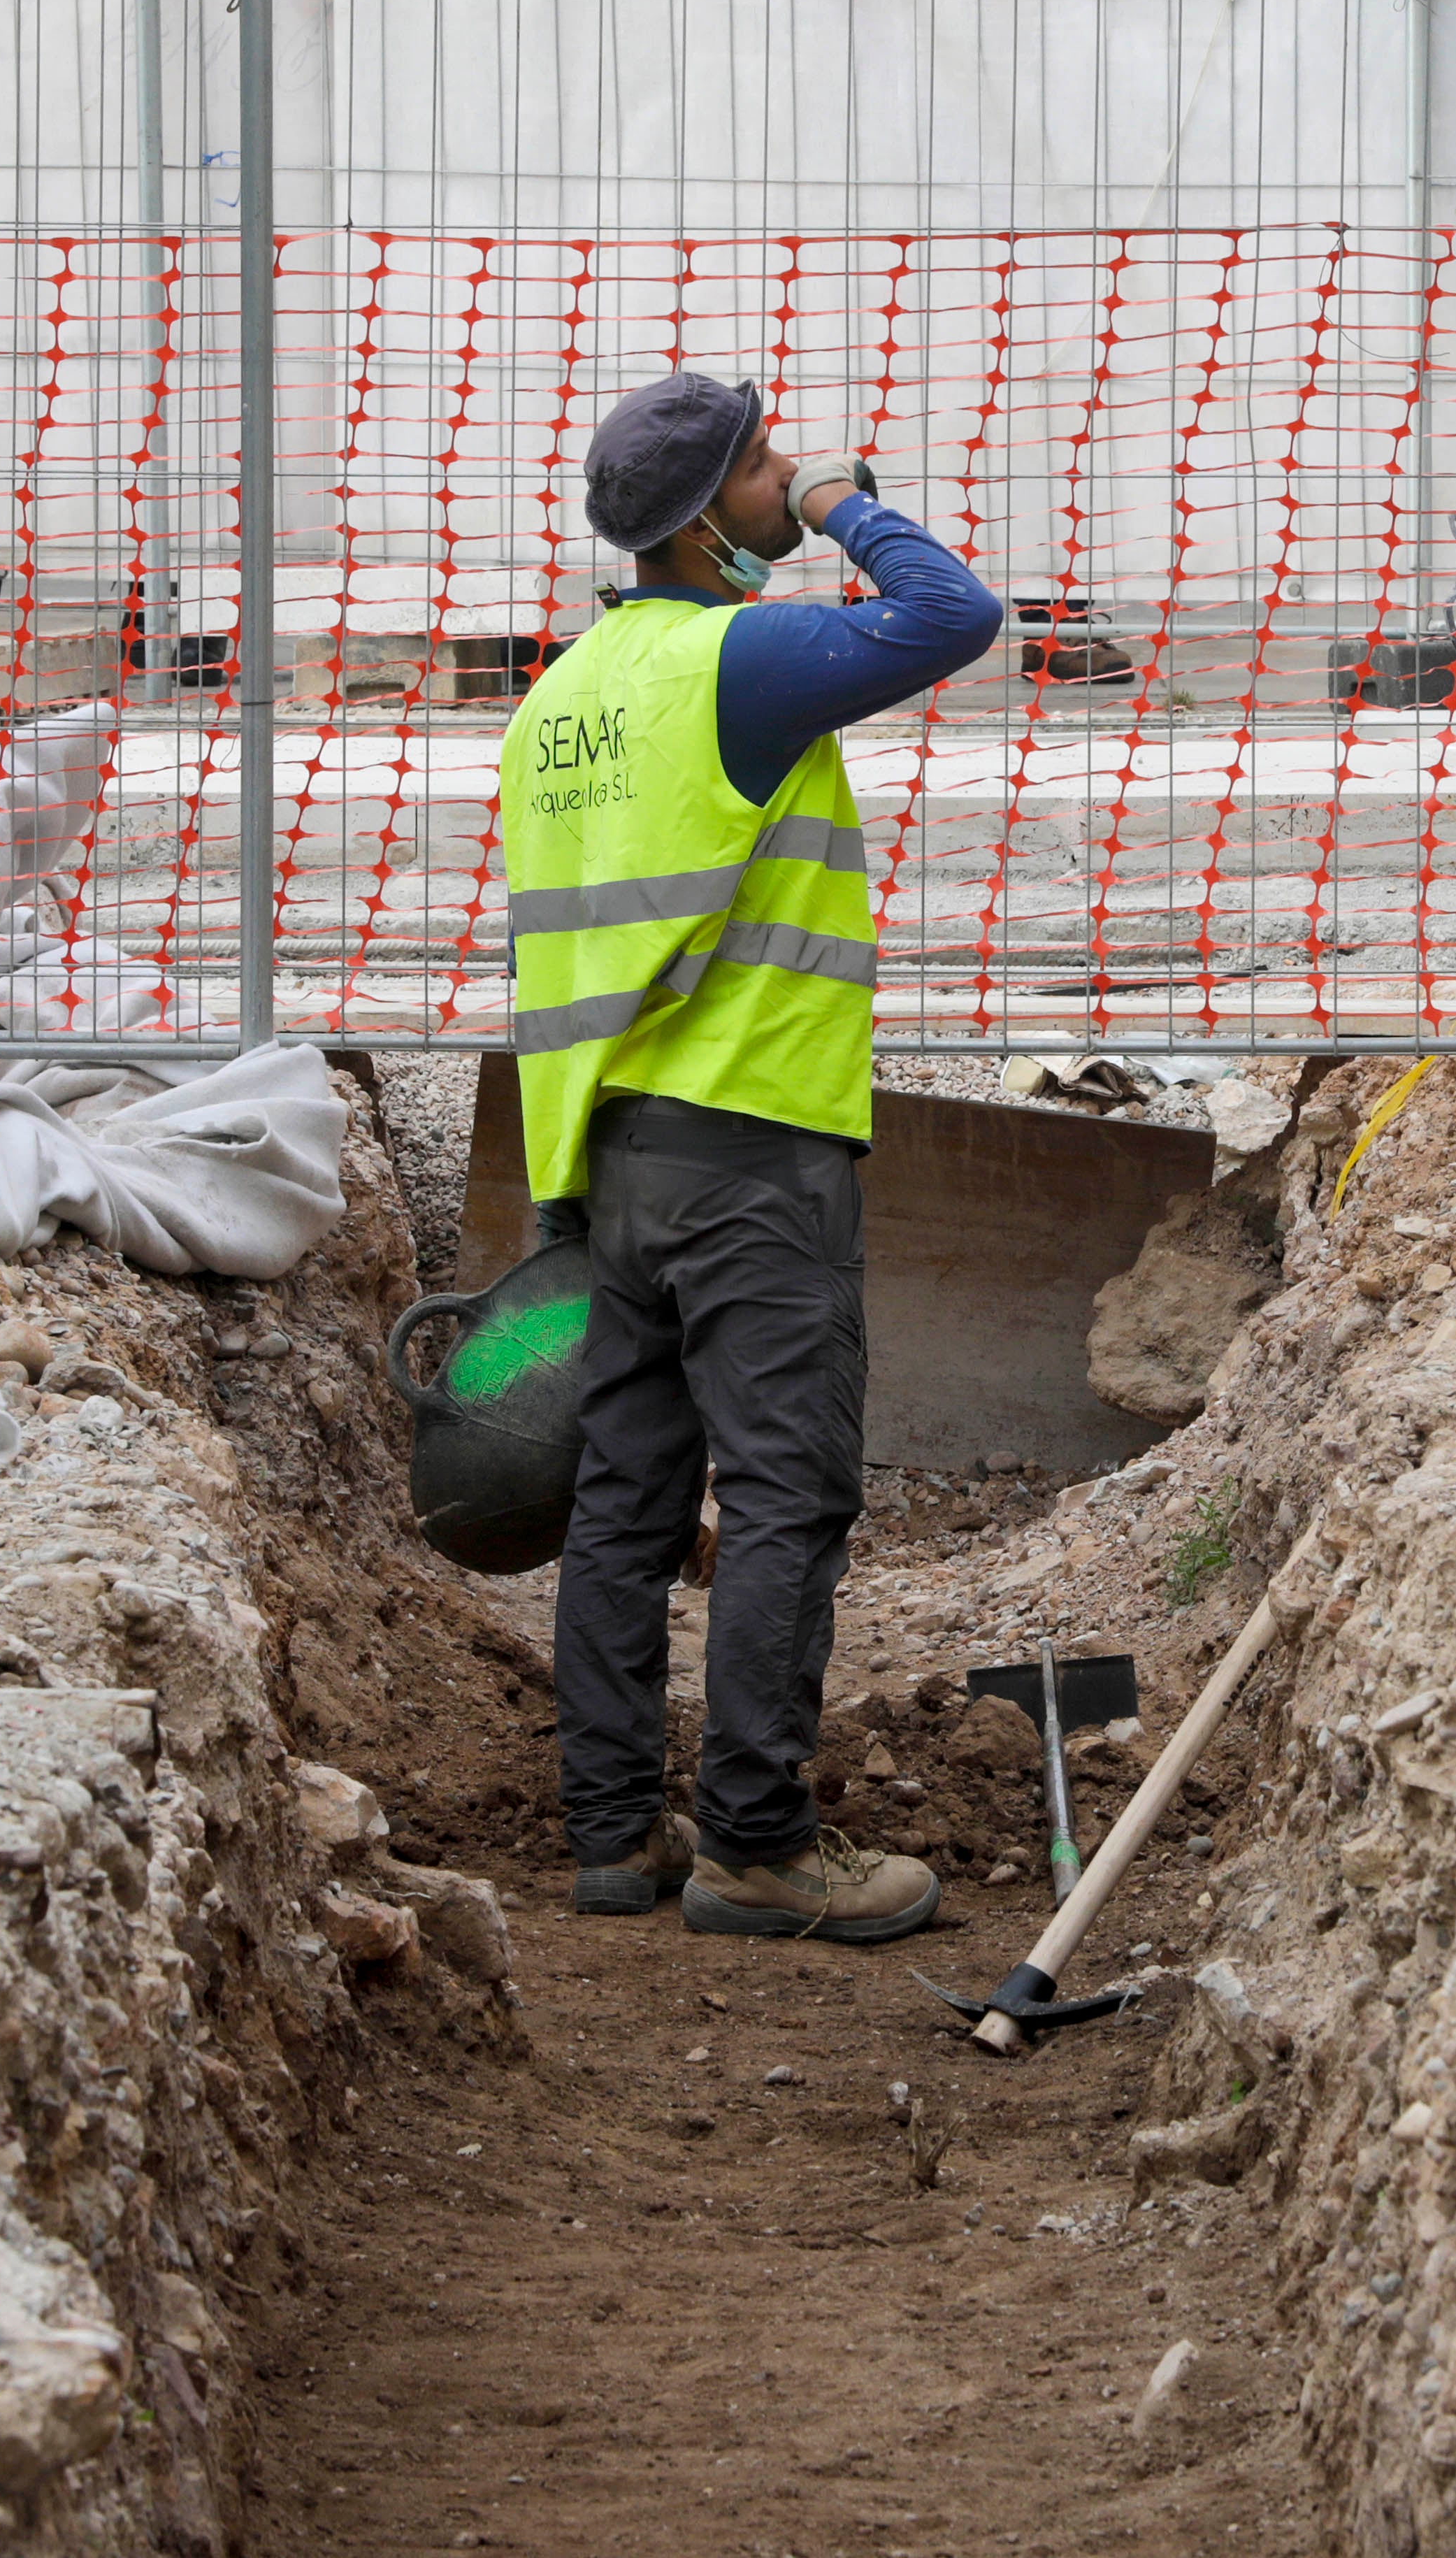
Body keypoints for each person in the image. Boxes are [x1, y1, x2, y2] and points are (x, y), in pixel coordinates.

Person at [500, 371, 1003, 1943]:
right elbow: (955, 611)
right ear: (710, 510)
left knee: (626, 1502)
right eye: (762, 467)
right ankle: (759, 1840)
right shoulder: (740, 659)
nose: (783, 482)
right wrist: (848, 503)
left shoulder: (562, 695)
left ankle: (608, 1835)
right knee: (788, 1489)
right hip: (754, 1147)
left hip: (610, 1156)